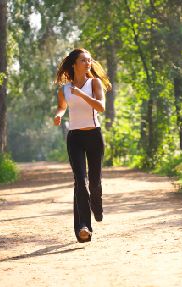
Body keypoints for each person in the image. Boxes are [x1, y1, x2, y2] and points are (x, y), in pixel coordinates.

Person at [54, 48, 111, 243]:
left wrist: (80, 94)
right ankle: (83, 228)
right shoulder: (64, 89)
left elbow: (101, 107)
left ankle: (97, 206)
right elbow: (62, 106)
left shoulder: (94, 83)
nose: (88, 63)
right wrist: (59, 115)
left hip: (94, 136)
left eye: (89, 60)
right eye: (83, 60)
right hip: (75, 138)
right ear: (74, 64)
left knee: (94, 183)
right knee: (80, 182)